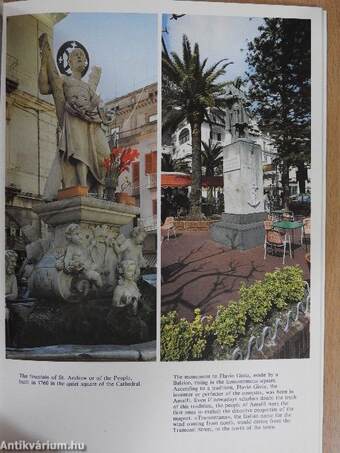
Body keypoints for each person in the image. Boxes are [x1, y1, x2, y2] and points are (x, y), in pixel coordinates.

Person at [38, 33, 111, 199]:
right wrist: (44, 63)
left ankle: (100, 188)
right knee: (80, 153)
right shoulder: (63, 80)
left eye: (82, 56)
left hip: (92, 121)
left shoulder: (87, 86)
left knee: (106, 155)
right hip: (73, 119)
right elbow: (43, 88)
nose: (79, 57)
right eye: (75, 55)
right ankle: (83, 188)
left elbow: (99, 106)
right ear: (69, 61)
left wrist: (100, 109)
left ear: (85, 63)